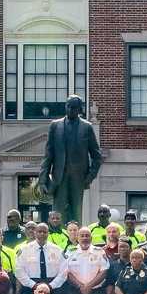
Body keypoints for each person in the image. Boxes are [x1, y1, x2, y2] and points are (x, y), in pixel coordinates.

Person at [38, 94, 103, 224]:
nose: (69, 110)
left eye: (73, 108)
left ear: (79, 109)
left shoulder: (87, 127)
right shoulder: (55, 126)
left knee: (76, 216)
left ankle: (75, 241)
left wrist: (89, 177)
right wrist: (42, 180)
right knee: (57, 215)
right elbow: (48, 154)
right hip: (59, 178)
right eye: (68, 106)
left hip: (78, 179)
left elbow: (97, 156)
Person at [14, 223, 68, 294]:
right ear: (35, 233)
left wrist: (51, 286)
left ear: (48, 233)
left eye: (44, 232)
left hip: (53, 288)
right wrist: (34, 285)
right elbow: (19, 271)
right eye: (39, 231)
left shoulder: (57, 250)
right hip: (30, 288)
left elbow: (63, 272)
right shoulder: (24, 250)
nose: (42, 234)